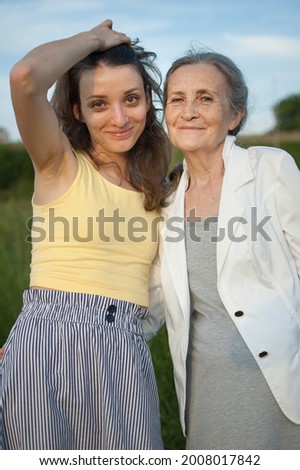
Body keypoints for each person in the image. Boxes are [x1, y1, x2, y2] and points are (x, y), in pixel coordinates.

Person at [1, 19, 170, 450]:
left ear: (148, 102)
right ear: (77, 111)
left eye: (131, 99)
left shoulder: (161, 188)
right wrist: (93, 40)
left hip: (127, 349)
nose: (119, 118)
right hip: (48, 344)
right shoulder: (60, 164)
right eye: (98, 104)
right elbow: (23, 79)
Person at [159, 49, 300, 449]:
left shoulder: (271, 169)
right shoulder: (164, 201)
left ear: (235, 116)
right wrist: (44, 335)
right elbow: (149, 303)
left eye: (205, 98)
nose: (188, 111)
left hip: (281, 391)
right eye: (177, 99)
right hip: (206, 398)